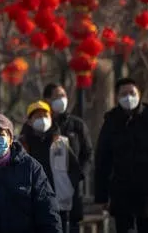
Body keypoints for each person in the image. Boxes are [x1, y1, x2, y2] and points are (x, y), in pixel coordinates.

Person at [95, 78, 148, 233]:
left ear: (139, 94)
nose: (128, 97)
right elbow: (102, 159)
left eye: (132, 93)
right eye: (123, 94)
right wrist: (102, 196)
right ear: (117, 97)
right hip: (121, 192)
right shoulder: (111, 121)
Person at [19, 101, 80, 232]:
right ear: (29, 121)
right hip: (31, 204)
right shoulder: (21, 146)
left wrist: (68, 188)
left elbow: (75, 169)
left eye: (45, 115)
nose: (42, 119)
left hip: (59, 203)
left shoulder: (60, 143)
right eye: (37, 116)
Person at [40, 83, 92, 231]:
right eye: (56, 96)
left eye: (63, 96)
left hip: (72, 190)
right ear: (46, 100)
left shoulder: (77, 125)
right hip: (46, 189)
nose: (61, 100)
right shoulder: (40, 126)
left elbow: (88, 153)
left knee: (72, 226)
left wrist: (79, 175)